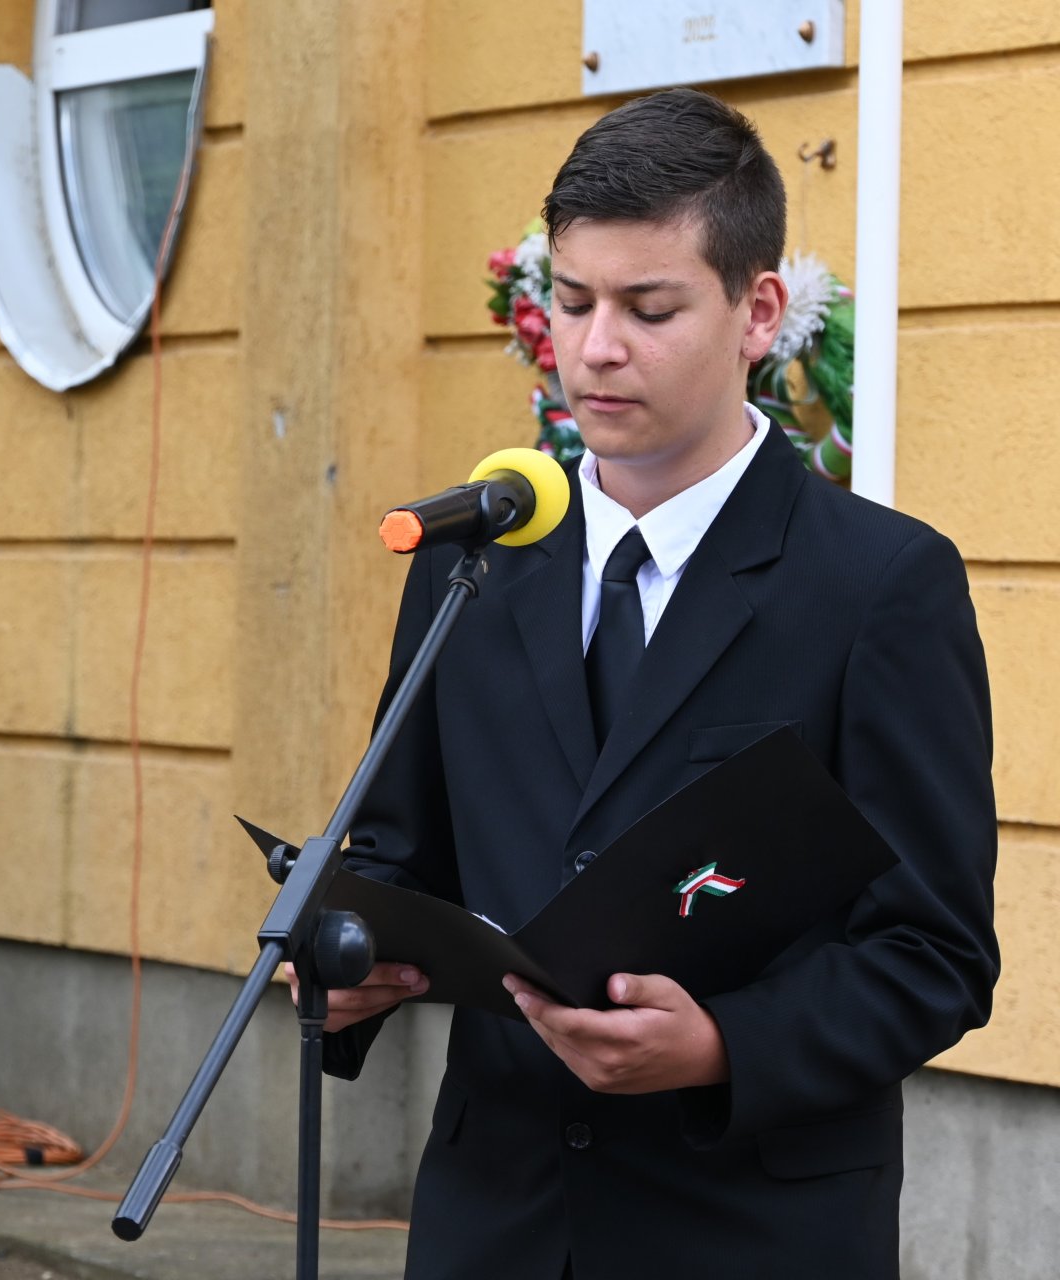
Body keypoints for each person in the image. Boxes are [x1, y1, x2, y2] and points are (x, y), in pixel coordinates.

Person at [287, 87, 998, 1278]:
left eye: (648, 307)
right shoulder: (479, 560)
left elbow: (933, 950)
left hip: (750, 1228)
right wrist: (349, 952)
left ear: (758, 311)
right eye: (571, 301)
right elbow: (402, 851)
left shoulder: (883, 584)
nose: (596, 346)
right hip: (496, 1216)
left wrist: (724, 1041)